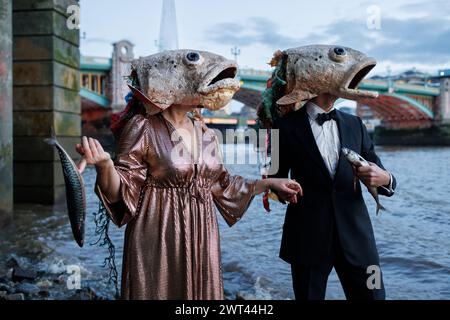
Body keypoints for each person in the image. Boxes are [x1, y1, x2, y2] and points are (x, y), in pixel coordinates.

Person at [75, 103, 301, 300]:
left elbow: (224, 185)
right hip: (157, 232)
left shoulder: (207, 133)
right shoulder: (143, 126)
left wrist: (270, 184)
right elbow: (121, 192)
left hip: (202, 232)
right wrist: (105, 165)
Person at [271, 93, 396, 300]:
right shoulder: (282, 126)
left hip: (359, 239)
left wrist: (385, 178)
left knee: (375, 296)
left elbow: (380, 175)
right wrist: (280, 191)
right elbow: (274, 178)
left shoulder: (355, 123)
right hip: (307, 238)